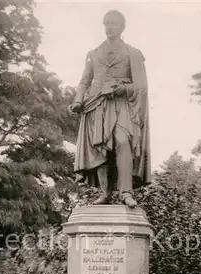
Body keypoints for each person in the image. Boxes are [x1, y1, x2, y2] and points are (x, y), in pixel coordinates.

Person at [70, 10, 151, 208]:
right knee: (100, 148)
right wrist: (78, 100)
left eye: (113, 23)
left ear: (122, 27)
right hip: (96, 104)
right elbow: (84, 81)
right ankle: (104, 192)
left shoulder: (133, 53)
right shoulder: (94, 54)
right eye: (106, 23)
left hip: (121, 103)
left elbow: (141, 86)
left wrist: (119, 89)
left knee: (123, 141)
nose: (109, 27)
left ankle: (126, 192)